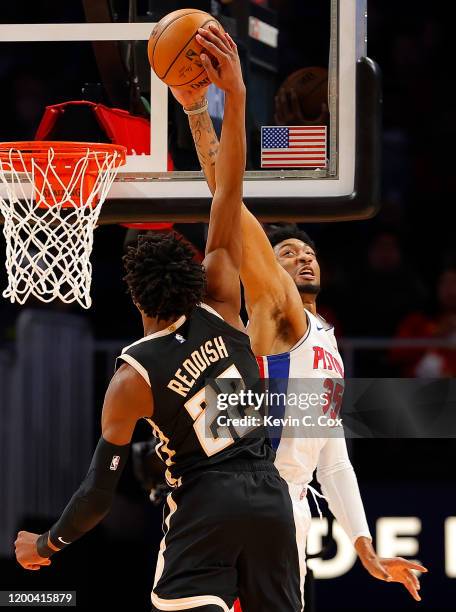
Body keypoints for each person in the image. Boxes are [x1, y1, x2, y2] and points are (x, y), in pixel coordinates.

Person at [15, 29, 302, 612]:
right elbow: (228, 191)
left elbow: (99, 492)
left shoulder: (132, 379)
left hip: (205, 507)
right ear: (197, 276)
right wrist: (231, 96)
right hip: (270, 500)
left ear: (135, 296)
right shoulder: (223, 302)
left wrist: (46, 543)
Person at [173, 23, 428, 610]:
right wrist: (199, 112)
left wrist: (364, 545)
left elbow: (333, 456)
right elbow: (231, 207)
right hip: (244, 492)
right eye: (285, 254)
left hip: (283, 507)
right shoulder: (277, 308)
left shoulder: (325, 341)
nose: (300, 255)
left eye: (306, 250)